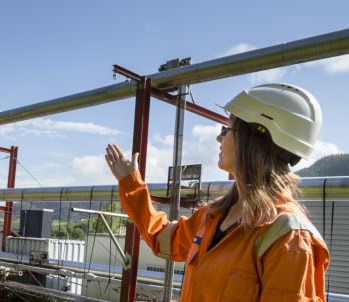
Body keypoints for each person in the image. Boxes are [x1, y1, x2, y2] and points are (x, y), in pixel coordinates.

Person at [105, 83, 329, 301]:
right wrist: (131, 185)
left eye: (228, 129)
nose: (219, 138)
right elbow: (163, 238)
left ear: (256, 136)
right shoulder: (213, 215)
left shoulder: (290, 239)